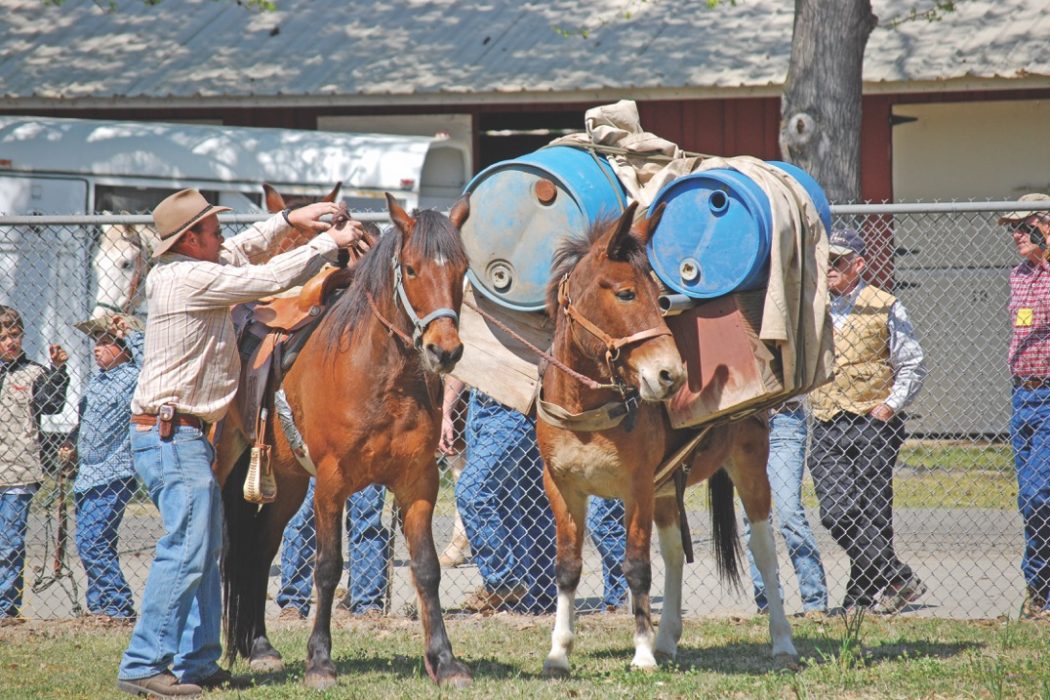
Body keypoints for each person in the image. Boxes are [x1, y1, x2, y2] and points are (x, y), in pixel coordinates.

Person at [116, 189, 365, 698]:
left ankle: (198, 660)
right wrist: (327, 244)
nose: (221, 233)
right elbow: (269, 277)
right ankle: (144, 663)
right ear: (190, 240)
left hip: (182, 436)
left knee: (204, 549)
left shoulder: (192, 267)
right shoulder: (190, 278)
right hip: (172, 434)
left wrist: (290, 219)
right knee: (186, 551)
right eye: (211, 228)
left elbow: (248, 246)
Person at [808, 227, 928, 615]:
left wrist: (890, 406)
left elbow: (911, 363)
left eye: (837, 261)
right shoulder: (813, 306)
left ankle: (858, 600)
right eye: (825, 260)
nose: (829, 268)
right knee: (836, 512)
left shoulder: (885, 305)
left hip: (873, 422)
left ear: (858, 265)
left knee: (873, 513)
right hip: (827, 421)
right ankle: (898, 577)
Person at [440, 378, 627, 613]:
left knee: (476, 493)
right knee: (518, 504)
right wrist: (447, 410)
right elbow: (465, 358)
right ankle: (536, 601)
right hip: (478, 406)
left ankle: (504, 582)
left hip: (519, 407)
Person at [58, 313, 145, 624]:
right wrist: (72, 444)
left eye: (106, 342)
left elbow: (152, 363)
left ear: (124, 349)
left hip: (114, 472)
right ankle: (100, 606)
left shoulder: (135, 376)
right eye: (96, 342)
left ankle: (119, 605)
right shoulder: (97, 380)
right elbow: (85, 423)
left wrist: (132, 334)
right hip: (87, 475)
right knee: (95, 541)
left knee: (91, 541)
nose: (97, 348)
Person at [0, 305, 70, 625]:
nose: (9, 343)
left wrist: (57, 372)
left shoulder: (34, 373)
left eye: (14, 335)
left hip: (17, 471)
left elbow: (51, 404)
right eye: (2, 337)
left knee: (10, 544)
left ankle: (5, 607)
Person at [1001, 192, 1050, 621]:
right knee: (1029, 498)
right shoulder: (1019, 275)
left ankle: (1040, 585)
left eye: (1023, 225)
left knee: (1039, 494)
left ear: (1045, 225)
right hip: (1023, 394)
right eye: (1012, 228)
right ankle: (1039, 592)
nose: (1016, 234)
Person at [743, 399, 828, 616]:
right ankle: (768, 603)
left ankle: (814, 602)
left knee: (789, 512)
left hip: (784, 419)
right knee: (753, 519)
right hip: (745, 423)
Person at [276, 479, 390, 620]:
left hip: (365, 458)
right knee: (302, 518)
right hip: (314, 460)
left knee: (367, 522)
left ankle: (367, 604)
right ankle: (293, 602)